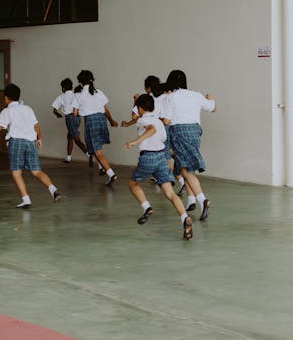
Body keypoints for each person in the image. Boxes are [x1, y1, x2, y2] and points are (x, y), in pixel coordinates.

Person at [0, 83, 63, 209]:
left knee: (16, 173)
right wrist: (39, 138)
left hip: (16, 142)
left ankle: (26, 200)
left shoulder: (7, 111)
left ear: (6, 98)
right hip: (31, 142)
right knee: (36, 171)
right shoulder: (28, 109)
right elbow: (36, 126)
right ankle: (53, 190)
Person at [123, 94, 193, 240]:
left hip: (148, 157)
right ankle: (184, 217)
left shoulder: (143, 120)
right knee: (170, 193)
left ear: (140, 109)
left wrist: (134, 142)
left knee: (133, 184)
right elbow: (161, 136)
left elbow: (151, 129)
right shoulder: (160, 122)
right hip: (161, 157)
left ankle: (147, 208)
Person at [165, 70, 216, 221]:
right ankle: (191, 200)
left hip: (179, 132)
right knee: (183, 167)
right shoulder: (196, 95)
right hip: (195, 132)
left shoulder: (171, 97)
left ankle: (202, 199)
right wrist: (211, 99)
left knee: (186, 170)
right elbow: (213, 108)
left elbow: (167, 121)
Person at [73, 69, 119, 184]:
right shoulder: (98, 92)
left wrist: (83, 112)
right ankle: (102, 167)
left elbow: (75, 113)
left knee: (97, 151)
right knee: (97, 148)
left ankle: (111, 173)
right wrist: (112, 121)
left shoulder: (78, 95)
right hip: (101, 120)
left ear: (80, 82)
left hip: (90, 121)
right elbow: (105, 110)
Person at [51, 78, 90, 164]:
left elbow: (54, 110)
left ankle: (89, 154)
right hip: (78, 118)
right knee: (70, 136)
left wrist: (58, 114)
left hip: (70, 119)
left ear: (63, 88)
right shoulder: (76, 95)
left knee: (76, 139)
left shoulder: (61, 96)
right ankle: (68, 157)